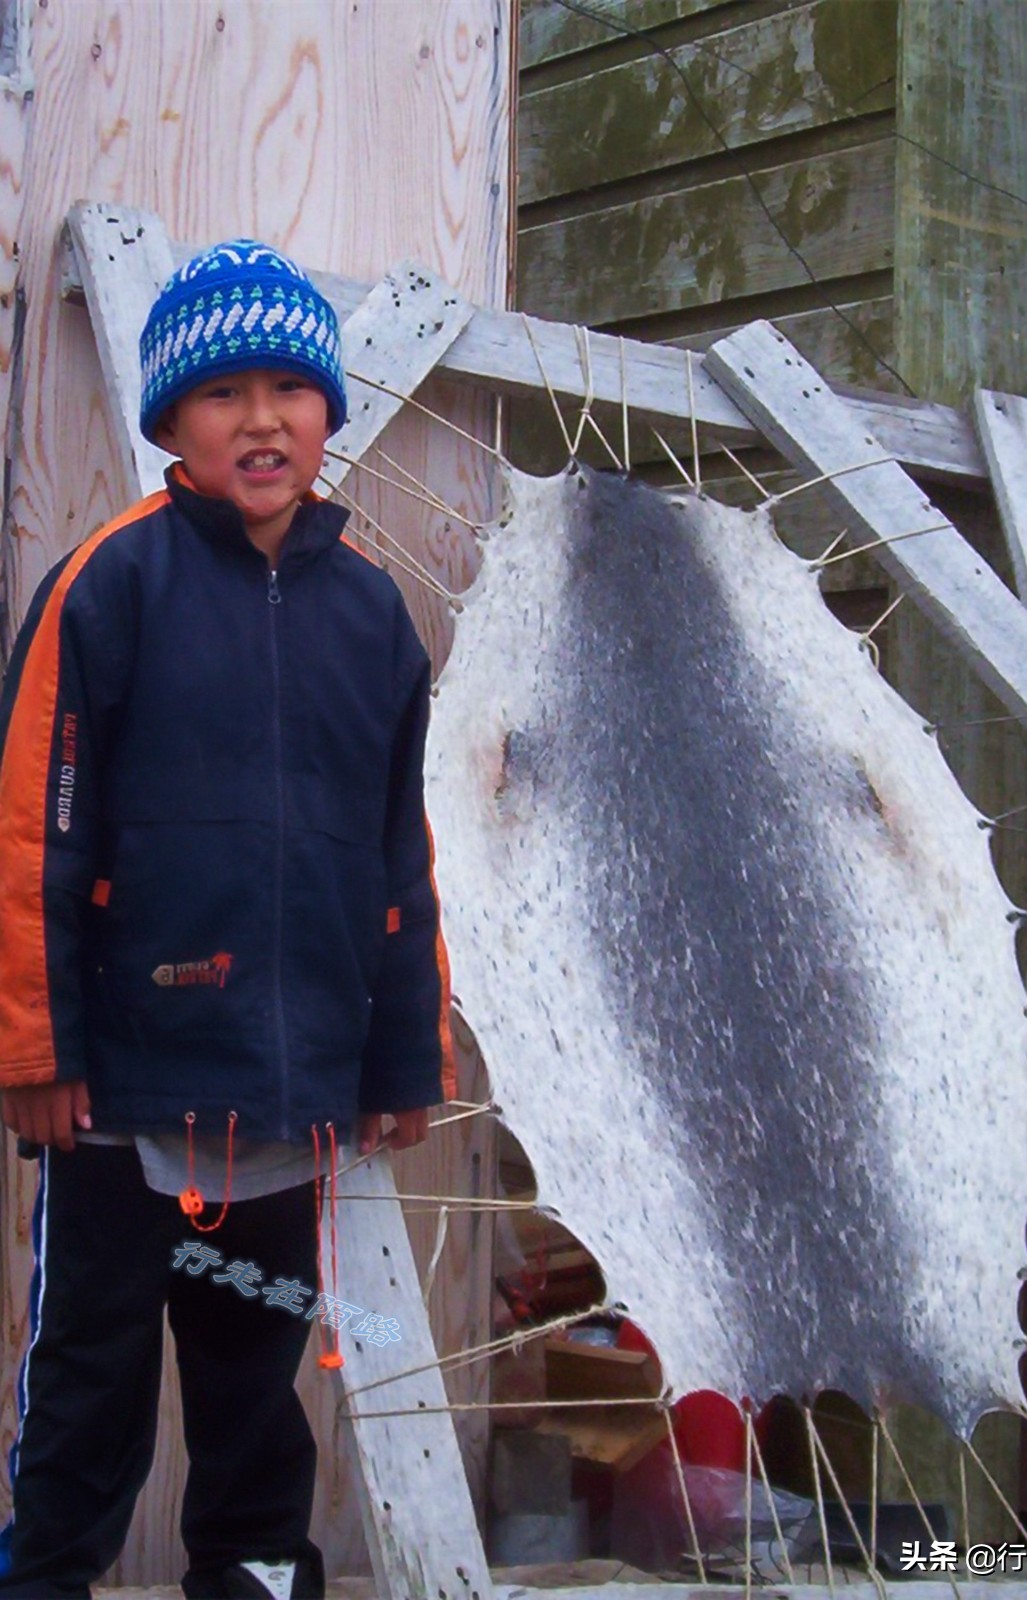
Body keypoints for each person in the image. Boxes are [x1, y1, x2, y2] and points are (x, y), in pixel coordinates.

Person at [0, 239, 454, 1599]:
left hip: (284, 1107)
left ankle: (255, 1583)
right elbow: (33, 829)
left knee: (257, 1398)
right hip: (122, 1107)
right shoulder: (109, 586)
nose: (260, 421)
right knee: (90, 1388)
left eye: (287, 390)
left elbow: (395, 857)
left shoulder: (372, 616)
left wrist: (397, 1061)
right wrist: (35, 1050)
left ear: (327, 412)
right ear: (170, 424)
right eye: (221, 396)